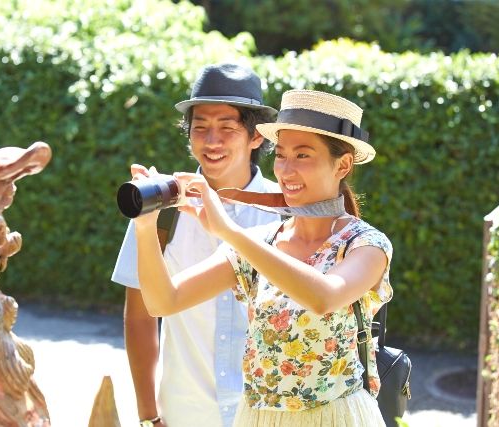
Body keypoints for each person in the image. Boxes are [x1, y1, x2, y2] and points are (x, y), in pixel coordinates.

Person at [131, 89, 393, 426]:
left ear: (342, 164)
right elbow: (163, 302)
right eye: (281, 155)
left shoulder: (366, 244)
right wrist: (144, 226)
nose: (285, 170)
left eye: (303, 155)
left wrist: (228, 231)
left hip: (335, 417)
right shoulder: (262, 242)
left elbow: (324, 296)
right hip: (259, 418)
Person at [111, 63, 281, 427]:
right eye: (200, 128)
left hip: (268, 412)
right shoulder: (157, 208)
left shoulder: (285, 214)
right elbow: (140, 316)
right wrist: (147, 416)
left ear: (256, 138)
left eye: (226, 129)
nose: (211, 141)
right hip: (185, 411)